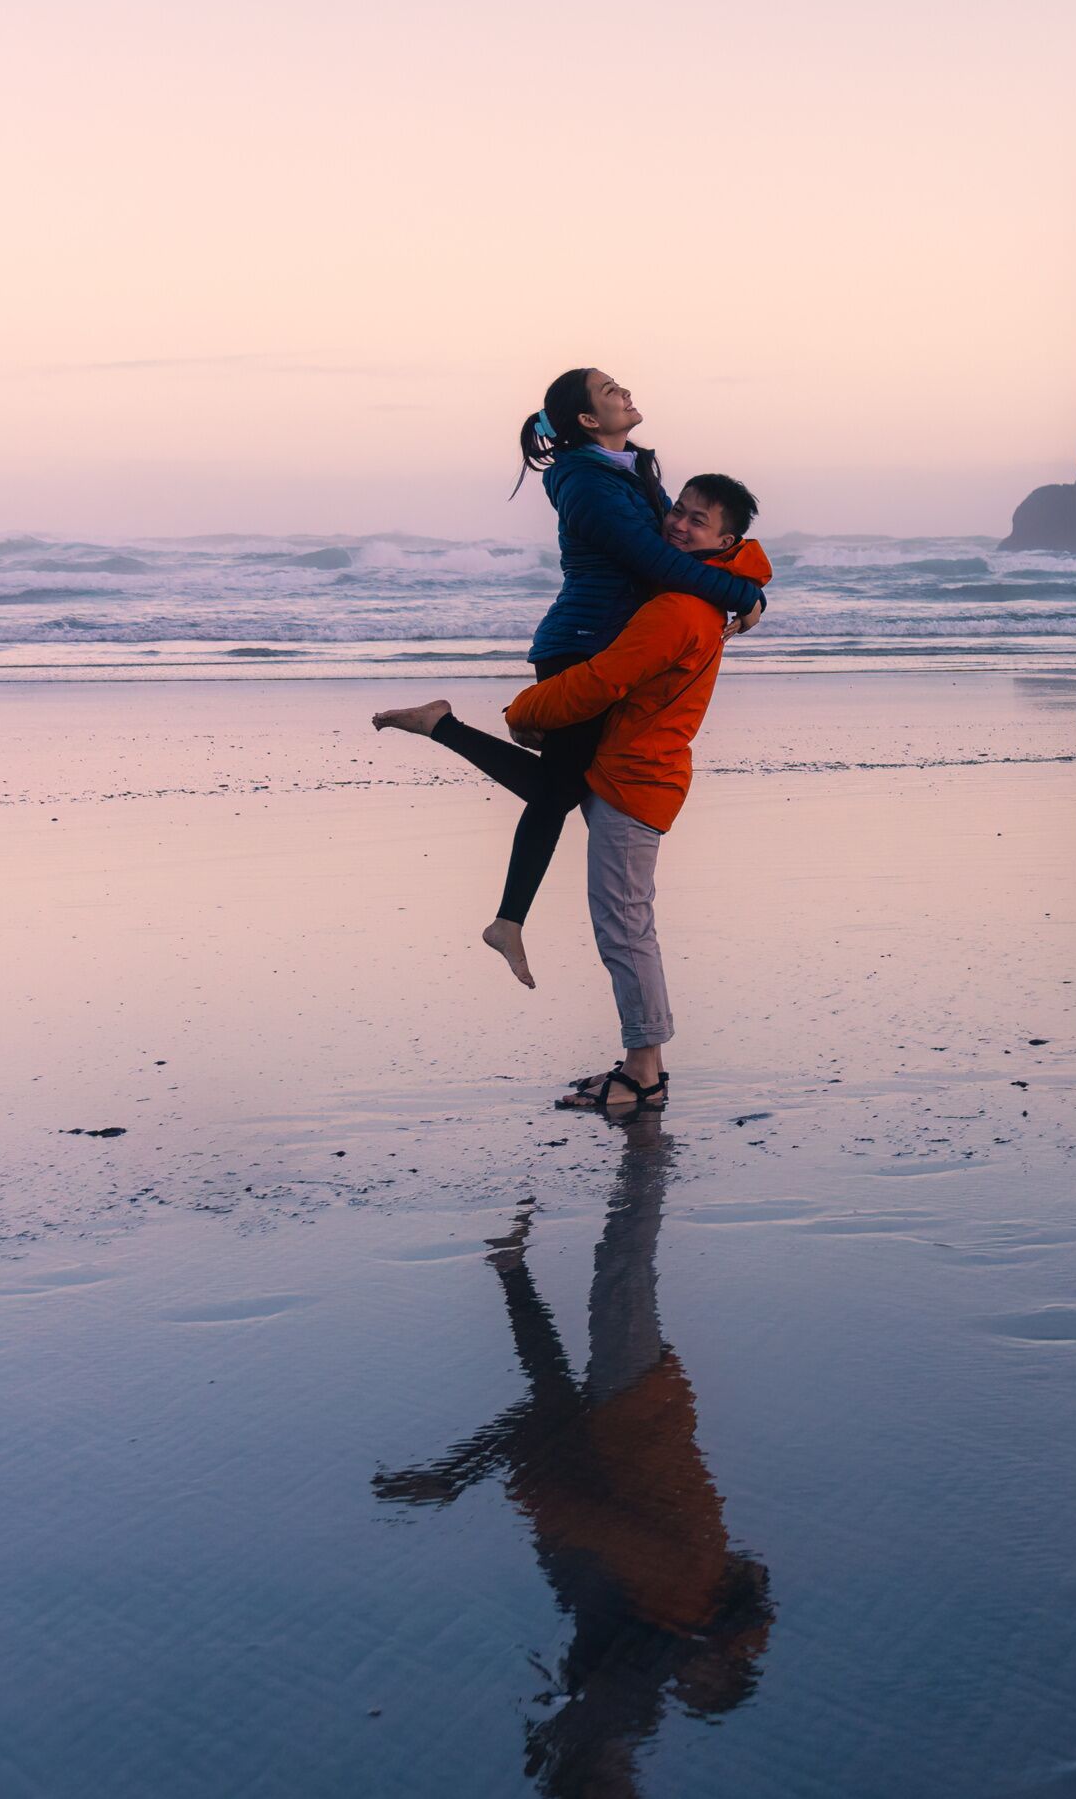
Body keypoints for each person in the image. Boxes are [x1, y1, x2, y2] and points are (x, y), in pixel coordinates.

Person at [373, 1122, 772, 1795]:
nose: (684, 1687)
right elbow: (624, 1676)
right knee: (622, 1270)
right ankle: (645, 1151)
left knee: (555, 1379)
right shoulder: (686, 1603)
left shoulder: (682, 1614)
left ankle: (514, 1260)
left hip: (619, 1444)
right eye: (699, 1689)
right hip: (638, 1415)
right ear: (723, 1667)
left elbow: (616, 1675)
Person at [383, 470, 765, 1111]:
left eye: (698, 521)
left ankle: (643, 1074)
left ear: (724, 542)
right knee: (612, 896)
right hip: (629, 765)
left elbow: (599, 681)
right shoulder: (689, 592)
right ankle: (644, 1064)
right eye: (678, 509)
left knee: (625, 928)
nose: (677, 523)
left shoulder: (677, 610)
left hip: (635, 779)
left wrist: (525, 708)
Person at [375, 368, 766, 988]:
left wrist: (745, 589)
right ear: (588, 420)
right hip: (580, 649)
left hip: (604, 647)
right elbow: (658, 560)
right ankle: (444, 735)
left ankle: (506, 914)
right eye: (610, 391)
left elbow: (683, 544)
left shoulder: (627, 470)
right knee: (558, 791)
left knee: (562, 785)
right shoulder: (587, 481)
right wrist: (746, 596)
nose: (624, 392)